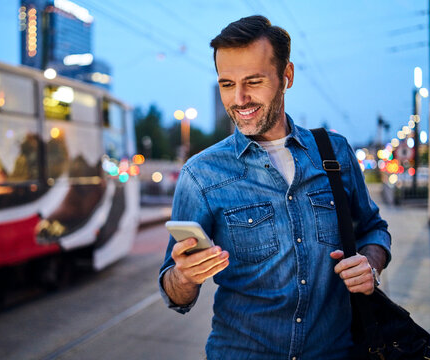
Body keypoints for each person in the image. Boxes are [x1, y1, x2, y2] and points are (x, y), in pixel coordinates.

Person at [159, 15, 391, 359]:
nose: (239, 99)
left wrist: (371, 264)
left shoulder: (335, 153)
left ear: (287, 77)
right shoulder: (200, 174)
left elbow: (373, 229)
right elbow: (174, 292)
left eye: (253, 81)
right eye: (226, 84)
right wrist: (184, 276)